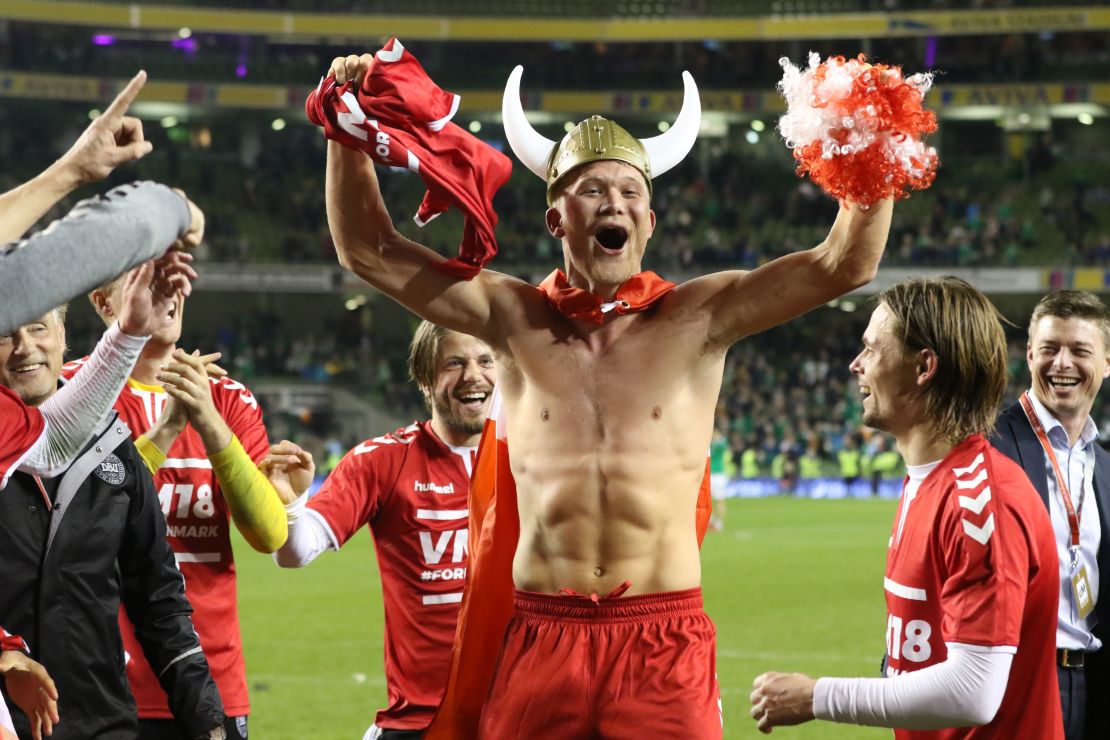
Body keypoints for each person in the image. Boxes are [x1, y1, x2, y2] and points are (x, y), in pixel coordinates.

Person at [323, 50, 893, 738]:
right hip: (541, 635)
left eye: (630, 192)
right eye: (593, 190)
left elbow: (846, 261)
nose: (615, 202)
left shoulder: (700, 318)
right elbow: (368, 249)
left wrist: (871, 137)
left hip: (662, 637)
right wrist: (345, 124)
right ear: (556, 220)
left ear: (649, 222)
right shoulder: (510, 318)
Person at [750, 277, 1062, 739]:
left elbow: (974, 691)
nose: (856, 365)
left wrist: (816, 696)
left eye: (872, 349)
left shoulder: (979, 503)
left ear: (923, 367)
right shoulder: (930, 481)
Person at [73, 270, 288, 740]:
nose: (169, 292)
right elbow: (78, 521)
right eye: (147, 278)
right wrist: (169, 428)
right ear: (105, 303)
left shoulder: (230, 400)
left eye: (174, 278)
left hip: (211, 683)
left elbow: (269, 536)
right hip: (98, 684)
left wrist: (211, 424)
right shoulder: (72, 394)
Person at [0, 303, 225, 740]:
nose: (25, 349)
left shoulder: (113, 445)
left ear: (63, 335)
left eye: (38, 328)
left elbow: (158, 593)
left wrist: (207, 721)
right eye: (4, 336)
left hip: (103, 720)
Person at [262, 321, 495, 739]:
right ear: (425, 379)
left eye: (485, 360)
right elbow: (295, 552)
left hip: (514, 716)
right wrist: (292, 505)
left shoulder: (533, 461)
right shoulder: (382, 461)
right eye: (454, 363)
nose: (473, 375)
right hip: (420, 722)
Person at [991, 290, 1110, 740]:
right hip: (1018, 685)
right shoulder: (988, 444)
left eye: (1080, 350)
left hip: (1092, 683)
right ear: (1029, 355)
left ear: (1106, 363)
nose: (1062, 363)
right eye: (1049, 349)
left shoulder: (1103, 463)